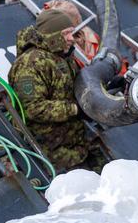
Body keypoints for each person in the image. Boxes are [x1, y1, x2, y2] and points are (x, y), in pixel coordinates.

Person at [8, 9, 104, 173]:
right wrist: (75, 109)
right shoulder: (30, 64)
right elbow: (32, 108)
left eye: (71, 33)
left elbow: (73, 87)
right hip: (53, 154)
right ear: (51, 35)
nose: (71, 39)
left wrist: (104, 87)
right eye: (66, 34)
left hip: (77, 143)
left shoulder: (62, 57)